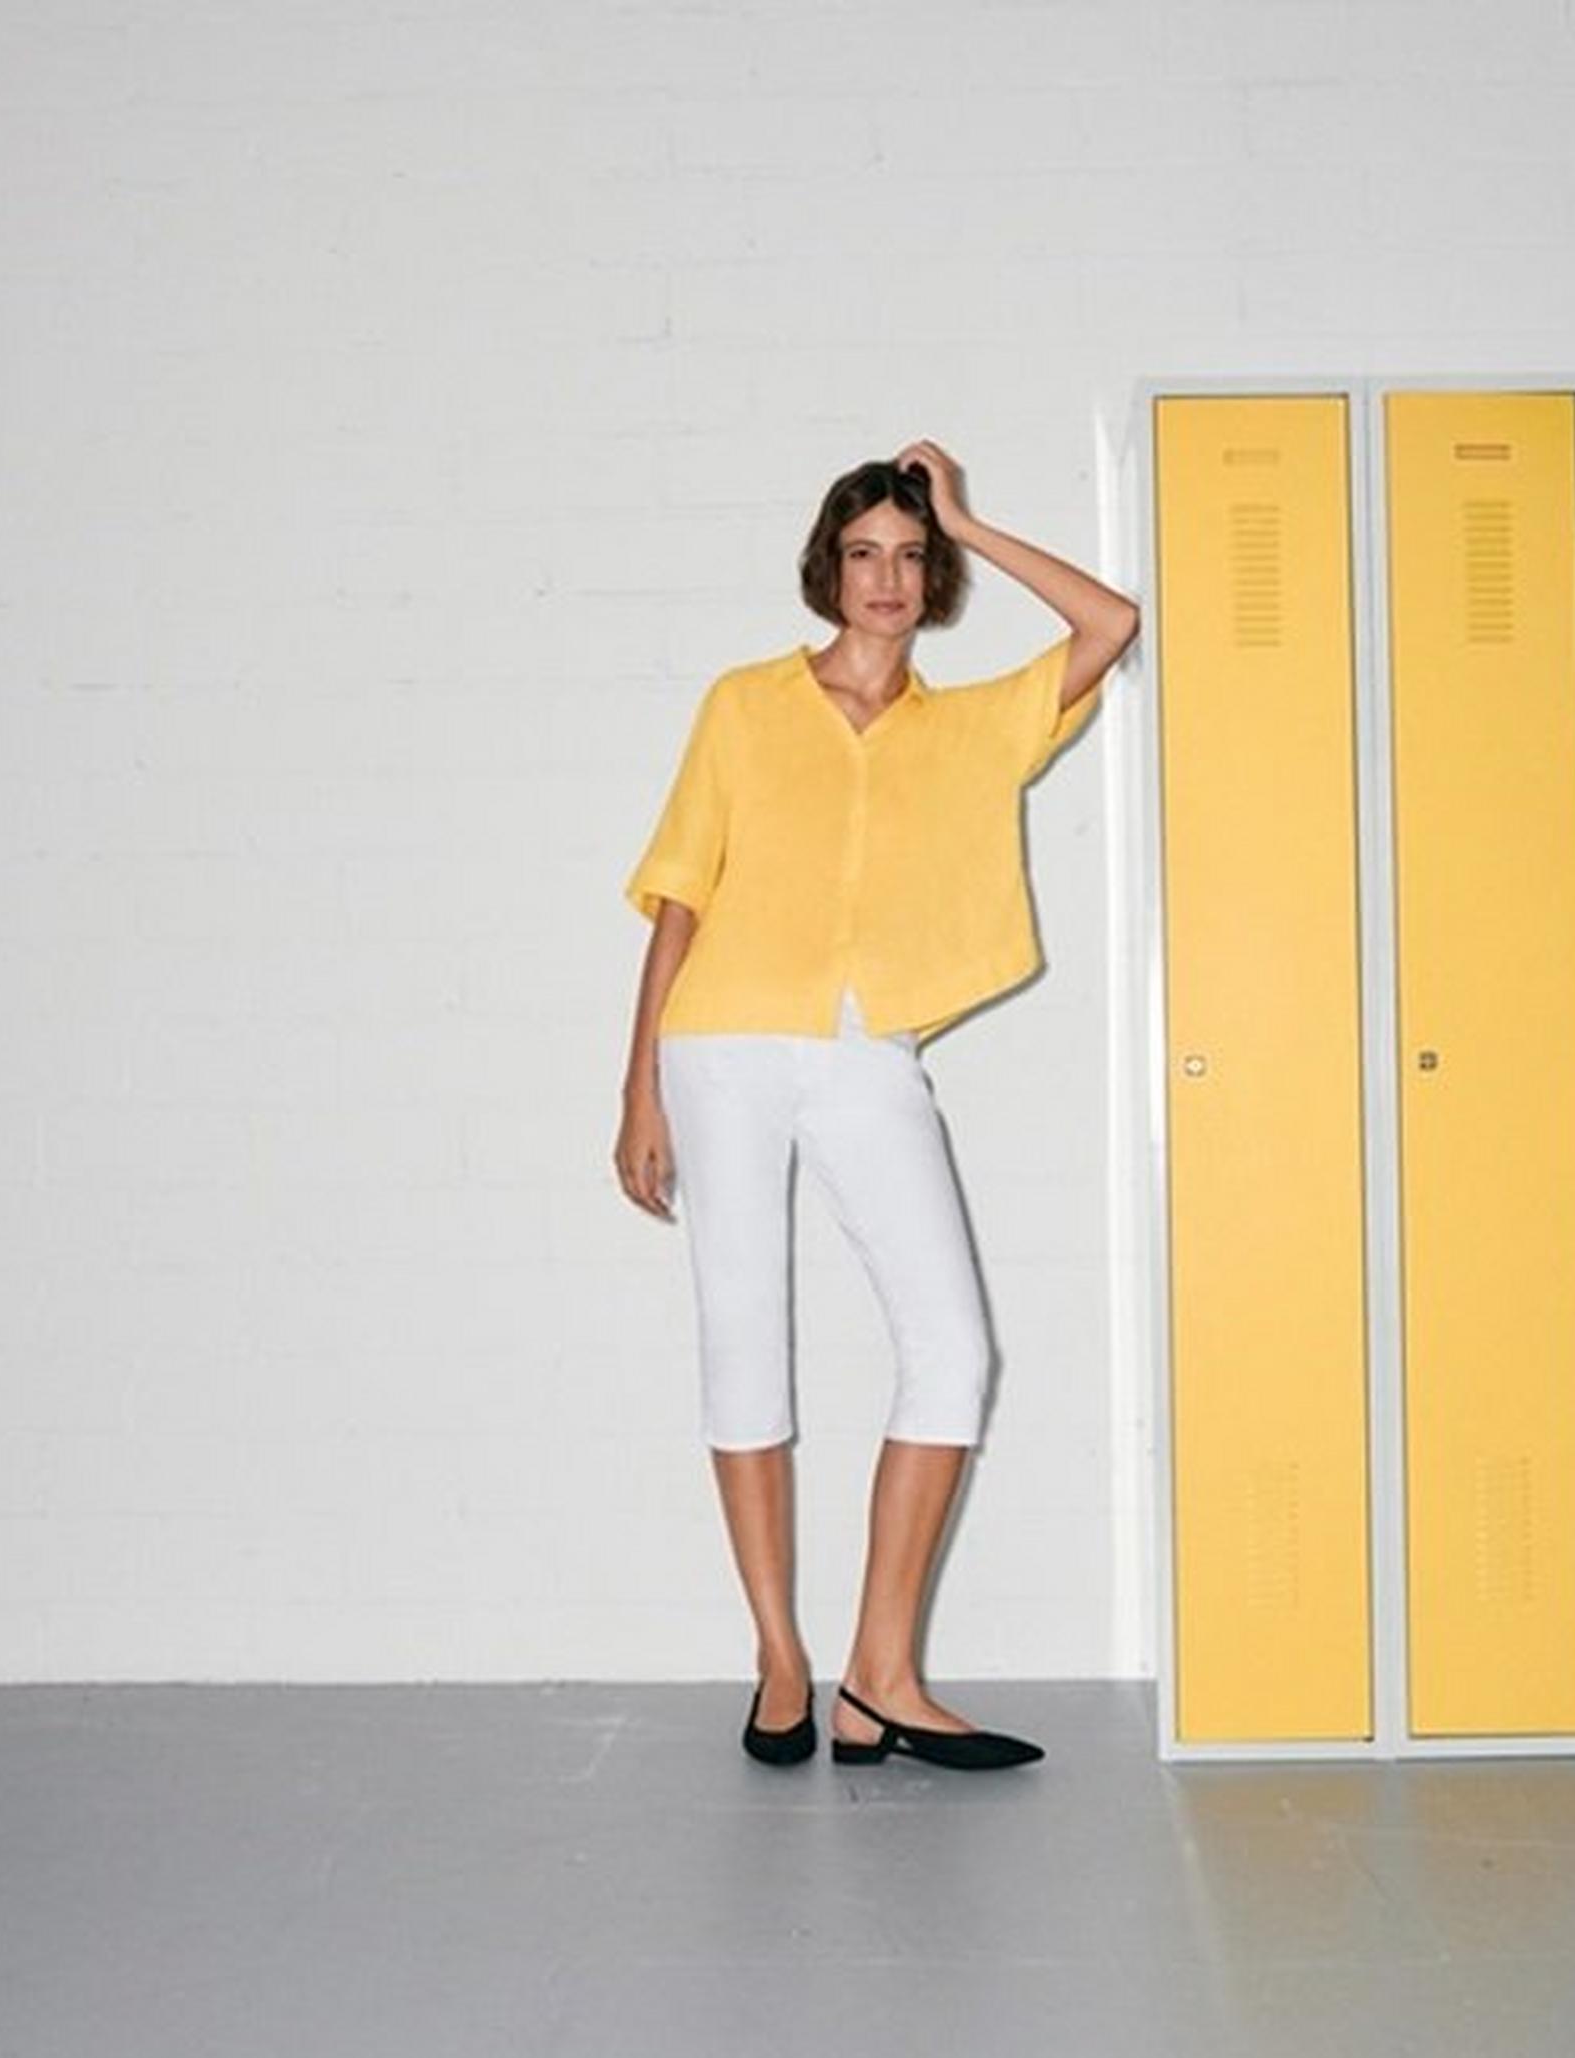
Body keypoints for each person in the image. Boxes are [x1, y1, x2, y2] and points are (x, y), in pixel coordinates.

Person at [614, 441, 1137, 1772]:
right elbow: (680, 894)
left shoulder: (971, 728)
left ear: (933, 576)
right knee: (744, 1340)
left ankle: (881, 1675)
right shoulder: (745, 704)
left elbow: (1112, 623)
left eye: (911, 556)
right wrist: (638, 1087)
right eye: (866, 554)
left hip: (865, 1048)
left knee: (952, 1347)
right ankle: (780, 1657)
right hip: (722, 1042)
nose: (889, 579)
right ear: (829, 570)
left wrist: (968, 516)